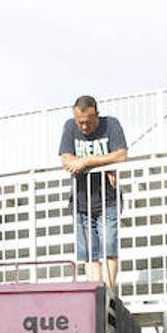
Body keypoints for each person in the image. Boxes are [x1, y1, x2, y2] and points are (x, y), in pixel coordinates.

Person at [59, 96, 127, 290]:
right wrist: (106, 163)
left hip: (108, 200)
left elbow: (121, 155)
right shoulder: (70, 126)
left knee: (109, 248)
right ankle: (96, 293)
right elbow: (66, 159)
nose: (84, 126)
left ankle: (108, 293)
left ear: (96, 114)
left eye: (88, 121)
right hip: (81, 202)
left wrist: (86, 162)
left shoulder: (110, 124)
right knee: (88, 253)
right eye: (80, 122)